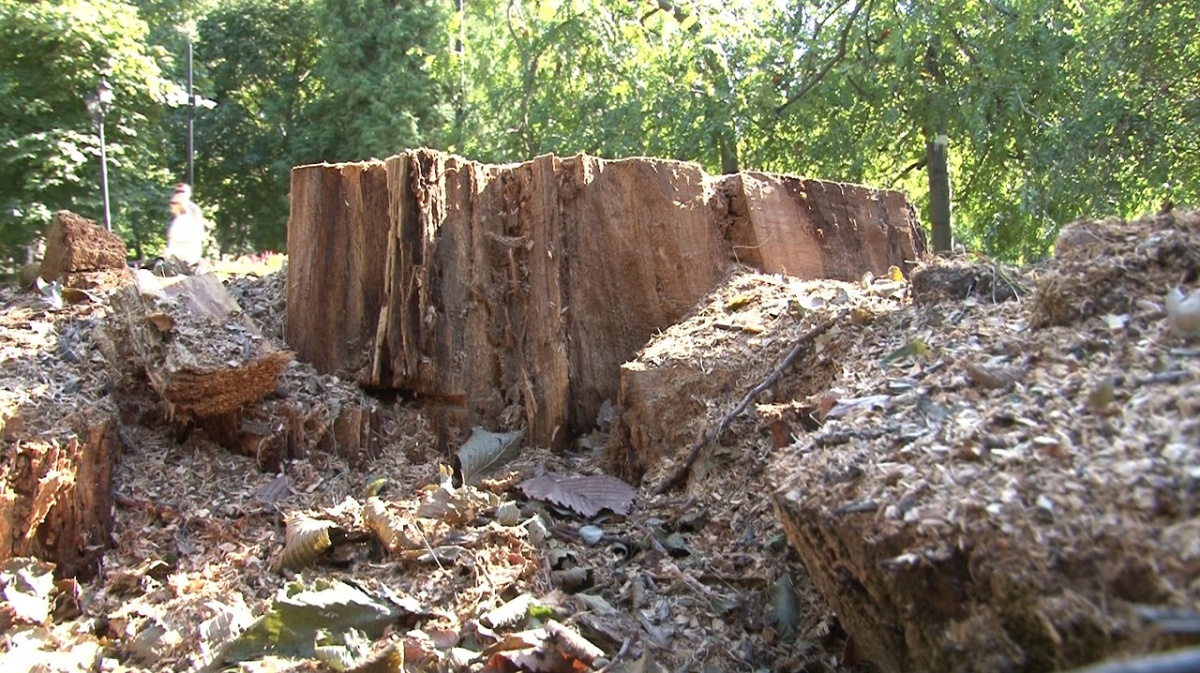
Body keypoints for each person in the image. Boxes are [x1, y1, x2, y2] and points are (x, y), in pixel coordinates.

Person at [164, 183, 206, 266]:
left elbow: (197, 233)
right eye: (177, 191)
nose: (179, 194)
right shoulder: (176, 215)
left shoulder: (193, 210)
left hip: (187, 257)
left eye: (182, 191)